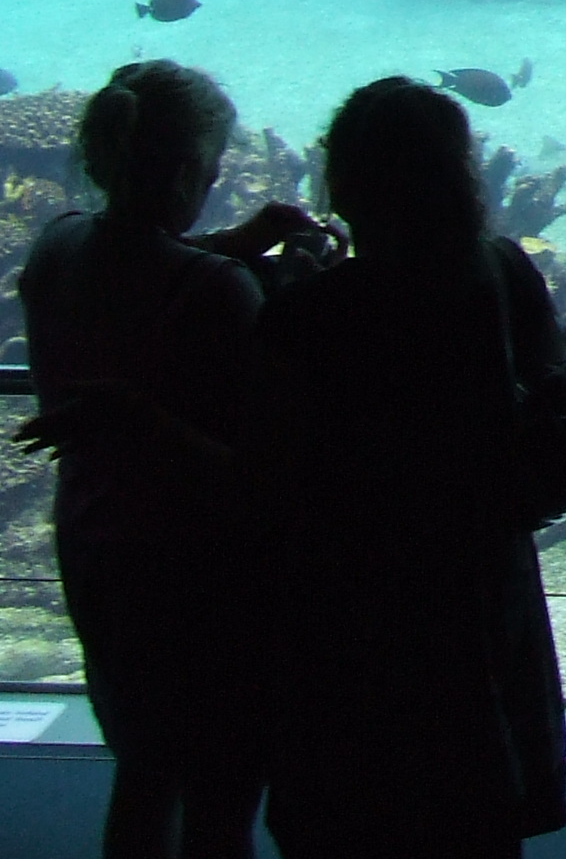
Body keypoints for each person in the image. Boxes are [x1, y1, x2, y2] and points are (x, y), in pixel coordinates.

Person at [245, 76, 566, 859]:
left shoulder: (305, 313)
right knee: (476, 802)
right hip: (474, 583)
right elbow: (560, 392)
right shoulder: (498, 273)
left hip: (344, 601)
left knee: (346, 812)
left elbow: (270, 470)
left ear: (345, 183)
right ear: (460, 175)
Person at [14, 62, 323, 859]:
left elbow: (134, 274)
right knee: (223, 794)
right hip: (205, 577)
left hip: (96, 547)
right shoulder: (219, 290)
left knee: (146, 771)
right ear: (190, 169)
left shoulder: (57, 245)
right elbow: (266, 470)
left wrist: (229, 245)